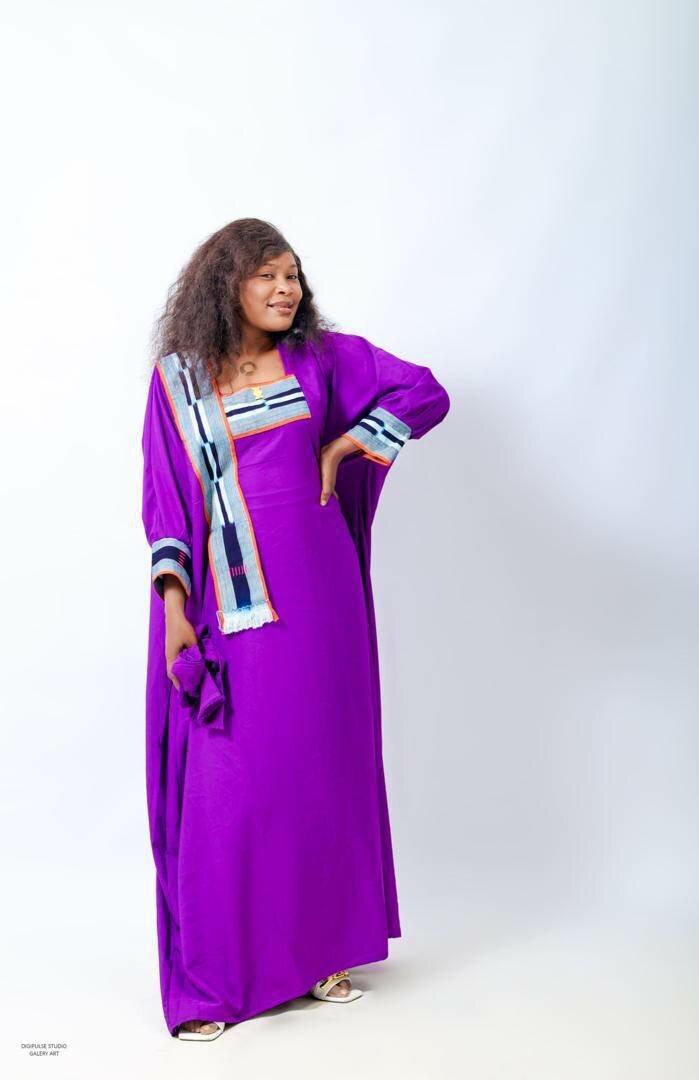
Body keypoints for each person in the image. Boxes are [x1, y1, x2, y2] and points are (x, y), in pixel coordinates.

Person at [140, 217, 451, 1039]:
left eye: (293, 275)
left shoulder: (321, 359)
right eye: (268, 276)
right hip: (229, 606)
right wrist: (174, 610)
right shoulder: (177, 381)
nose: (287, 290)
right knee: (230, 786)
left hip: (320, 600)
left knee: (318, 770)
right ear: (227, 284)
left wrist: (347, 444)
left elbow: (424, 392)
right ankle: (212, 980)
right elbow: (165, 501)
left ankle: (321, 954)